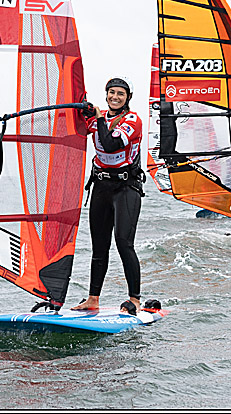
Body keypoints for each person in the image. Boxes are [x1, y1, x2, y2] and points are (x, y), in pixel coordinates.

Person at [71, 76, 145, 315]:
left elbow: (110, 143)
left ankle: (134, 299)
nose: (115, 97)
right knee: (99, 247)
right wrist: (82, 108)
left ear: (128, 98)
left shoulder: (133, 120)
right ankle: (93, 299)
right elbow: (75, 123)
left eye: (120, 94)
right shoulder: (98, 120)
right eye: (111, 92)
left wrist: (99, 117)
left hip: (126, 189)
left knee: (124, 244)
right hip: (101, 188)